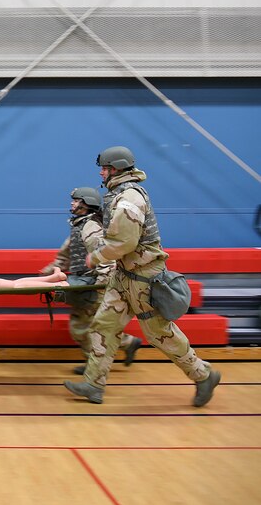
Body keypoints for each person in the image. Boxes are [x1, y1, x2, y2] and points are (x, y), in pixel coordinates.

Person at [64, 146, 220, 406]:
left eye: (104, 168)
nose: (101, 173)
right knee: (104, 326)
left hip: (143, 278)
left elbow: (124, 242)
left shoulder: (129, 199)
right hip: (124, 275)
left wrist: (96, 257)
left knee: (160, 334)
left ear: (117, 168)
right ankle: (93, 385)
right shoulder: (119, 195)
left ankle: (203, 375)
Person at [41, 187, 141, 375]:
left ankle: (94, 365)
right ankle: (126, 343)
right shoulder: (80, 225)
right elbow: (66, 254)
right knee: (91, 326)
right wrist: (48, 271)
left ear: (86, 204)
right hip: (85, 284)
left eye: (76, 200)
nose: (72, 203)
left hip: (95, 286)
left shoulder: (91, 228)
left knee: (82, 327)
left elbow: (106, 257)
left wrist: (102, 285)